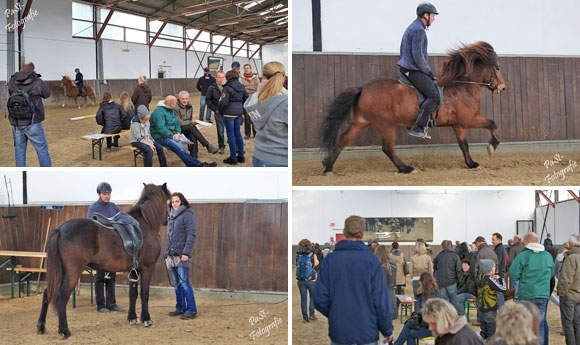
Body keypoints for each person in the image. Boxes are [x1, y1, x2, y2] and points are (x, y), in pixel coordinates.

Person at [313, 215, 394, 345]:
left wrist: (336, 313)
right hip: (366, 331)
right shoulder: (371, 261)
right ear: (362, 234)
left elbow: (319, 298)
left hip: (340, 331)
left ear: (345, 232)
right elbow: (380, 301)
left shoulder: (330, 260)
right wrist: (387, 330)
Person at [397, 2, 439, 139]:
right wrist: (429, 72)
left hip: (411, 68)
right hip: (412, 70)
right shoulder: (418, 30)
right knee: (434, 95)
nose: (434, 18)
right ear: (425, 15)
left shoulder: (415, 27)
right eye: (433, 15)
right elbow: (418, 56)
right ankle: (418, 127)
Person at [508, 232, 554, 345]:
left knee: (526, 324)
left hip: (526, 294)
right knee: (541, 324)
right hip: (543, 294)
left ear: (527, 241)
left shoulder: (523, 256)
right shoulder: (548, 256)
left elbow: (513, 274)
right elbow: (552, 274)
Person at [87, 182, 124, 313]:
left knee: (111, 276)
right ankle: (101, 304)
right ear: (99, 194)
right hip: (101, 247)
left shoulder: (114, 207)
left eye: (108, 193)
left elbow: (120, 222)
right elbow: (91, 227)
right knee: (100, 276)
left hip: (113, 246)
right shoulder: (93, 208)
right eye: (104, 194)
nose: (107, 196)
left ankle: (112, 303)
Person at [149, 95, 217, 167]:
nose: (176, 104)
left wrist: (178, 133)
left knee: (181, 149)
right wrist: (172, 136)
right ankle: (200, 165)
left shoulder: (171, 111)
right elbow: (160, 128)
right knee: (180, 149)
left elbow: (177, 123)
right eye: (175, 103)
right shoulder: (158, 113)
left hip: (173, 135)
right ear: (171, 104)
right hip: (160, 137)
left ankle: (192, 165)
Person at [244, 61, 288, 167]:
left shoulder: (253, 99)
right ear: (283, 77)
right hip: (279, 159)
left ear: (263, 76)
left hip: (259, 155)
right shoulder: (285, 102)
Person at [7, 61, 52, 167]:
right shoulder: (37, 81)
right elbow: (47, 94)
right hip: (33, 121)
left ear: (20, 69)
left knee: (19, 151)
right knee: (42, 151)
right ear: (33, 70)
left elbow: (11, 93)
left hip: (17, 122)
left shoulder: (12, 80)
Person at [164, 192, 197, 320]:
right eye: (173, 202)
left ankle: (191, 310)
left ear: (181, 202)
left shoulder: (187, 215)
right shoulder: (171, 217)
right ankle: (180, 307)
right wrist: (166, 254)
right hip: (171, 255)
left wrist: (186, 253)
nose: (174, 204)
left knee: (184, 282)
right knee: (177, 283)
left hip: (182, 255)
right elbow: (169, 237)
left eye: (177, 201)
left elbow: (191, 235)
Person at [393, 272, 441, 345]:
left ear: (422, 283)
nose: (418, 283)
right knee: (410, 325)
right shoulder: (438, 293)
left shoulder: (425, 296)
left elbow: (424, 314)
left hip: (432, 328)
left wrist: (414, 318)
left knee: (410, 331)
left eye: (420, 281)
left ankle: (397, 344)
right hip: (438, 325)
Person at [174, 91, 218, 158]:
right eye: (183, 99)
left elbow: (189, 119)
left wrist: (192, 122)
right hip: (177, 128)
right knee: (191, 127)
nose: (185, 100)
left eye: (186, 99)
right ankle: (207, 145)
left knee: (193, 135)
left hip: (188, 128)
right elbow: (178, 122)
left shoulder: (189, 106)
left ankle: (194, 157)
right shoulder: (175, 107)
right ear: (179, 98)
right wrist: (190, 122)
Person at [219, 69, 248, 165]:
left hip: (229, 113)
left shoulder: (227, 88)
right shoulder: (242, 87)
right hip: (238, 113)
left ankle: (233, 157)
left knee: (231, 135)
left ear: (228, 77)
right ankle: (241, 156)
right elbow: (246, 99)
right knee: (238, 134)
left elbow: (224, 102)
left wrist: (220, 110)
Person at [556, 234, 580, 345]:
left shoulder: (571, 258)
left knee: (568, 324)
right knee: (577, 323)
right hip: (578, 295)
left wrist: (561, 292)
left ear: (571, 244)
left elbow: (566, 278)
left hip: (569, 295)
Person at [476, 259, 507, 340]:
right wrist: (501, 279)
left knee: (483, 331)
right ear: (489, 269)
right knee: (491, 333)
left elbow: (475, 287)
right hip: (490, 309)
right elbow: (503, 289)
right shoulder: (490, 280)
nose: (495, 268)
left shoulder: (479, 277)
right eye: (493, 267)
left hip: (481, 308)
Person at [433, 240, 462, 312]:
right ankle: (458, 316)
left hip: (441, 282)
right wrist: (459, 280)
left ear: (442, 246)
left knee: (444, 302)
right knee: (454, 301)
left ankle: (447, 317)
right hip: (452, 281)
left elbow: (435, 269)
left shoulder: (438, 256)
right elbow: (458, 269)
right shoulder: (455, 256)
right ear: (450, 246)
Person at [296, 239, 319, 323]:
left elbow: (296, 263)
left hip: (300, 280)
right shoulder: (312, 253)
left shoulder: (297, 254)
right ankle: (312, 314)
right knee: (312, 297)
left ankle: (305, 318)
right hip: (311, 280)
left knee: (303, 299)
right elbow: (316, 263)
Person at [206, 70, 227, 154]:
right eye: (219, 77)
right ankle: (221, 146)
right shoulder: (212, 88)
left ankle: (235, 146)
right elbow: (208, 100)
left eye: (222, 77)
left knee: (231, 130)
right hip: (218, 112)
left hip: (229, 112)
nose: (221, 79)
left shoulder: (228, 87)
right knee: (220, 131)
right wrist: (215, 109)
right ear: (216, 78)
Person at [410, 240, 433, 311]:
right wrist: (430, 279)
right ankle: (425, 314)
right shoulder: (428, 257)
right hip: (425, 279)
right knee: (425, 297)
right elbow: (430, 269)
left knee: (416, 298)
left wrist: (412, 277)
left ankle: (417, 316)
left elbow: (411, 270)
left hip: (415, 279)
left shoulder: (413, 257)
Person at [375, 245, 398, 319]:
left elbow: (380, 286)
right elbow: (394, 283)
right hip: (391, 297)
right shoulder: (393, 265)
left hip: (382, 299)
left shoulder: (380, 267)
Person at [241, 63, 260, 139]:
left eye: (247, 68)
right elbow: (242, 88)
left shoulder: (255, 78)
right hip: (245, 98)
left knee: (255, 116)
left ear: (250, 69)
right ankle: (247, 134)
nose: (246, 69)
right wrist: (251, 88)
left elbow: (257, 87)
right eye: (245, 68)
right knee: (246, 117)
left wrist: (247, 87)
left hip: (254, 98)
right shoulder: (241, 78)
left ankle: (256, 133)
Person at [491, 233, 507, 307]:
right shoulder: (499, 248)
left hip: (498, 275)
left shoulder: (499, 249)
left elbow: (497, 262)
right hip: (499, 274)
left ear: (499, 240)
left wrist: (494, 273)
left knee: (499, 293)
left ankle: (501, 311)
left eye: (493, 239)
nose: (492, 241)